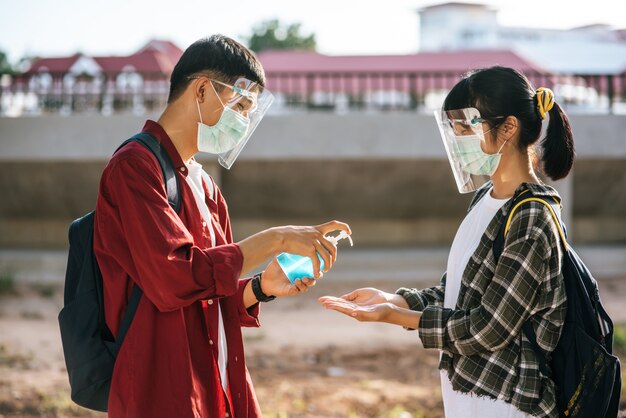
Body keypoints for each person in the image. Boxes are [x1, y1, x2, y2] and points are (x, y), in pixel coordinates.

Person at [94, 35, 351, 418]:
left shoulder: (207, 187)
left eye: (249, 110)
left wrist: (261, 288)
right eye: (240, 105)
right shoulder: (135, 166)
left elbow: (207, 294)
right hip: (162, 390)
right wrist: (275, 239)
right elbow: (173, 280)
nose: (243, 122)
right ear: (201, 90)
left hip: (219, 384)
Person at [320, 66, 574, 418]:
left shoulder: (533, 217)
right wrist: (394, 298)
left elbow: (489, 328)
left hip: (509, 403)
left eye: (465, 126)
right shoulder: (486, 197)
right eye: (453, 128)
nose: (457, 138)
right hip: (468, 395)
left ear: (509, 127)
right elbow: (455, 293)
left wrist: (395, 317)